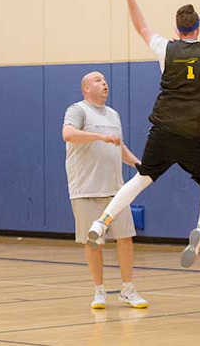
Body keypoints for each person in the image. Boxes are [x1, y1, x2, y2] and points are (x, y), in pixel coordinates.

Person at [87, 0, 200, 266]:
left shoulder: (165, 48)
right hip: (195, 134)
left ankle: (102, 221)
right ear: (198, 26)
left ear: (177, 29)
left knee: (142, 178)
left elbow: (142, 27)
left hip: (163, 129)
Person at [63, 71, 148, 309]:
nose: (104, 83)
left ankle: (128, 289)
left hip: (115, 190)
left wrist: (138, 164)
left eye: (105, 80)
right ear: (86, 89)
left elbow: (118, 146)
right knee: (94, 243)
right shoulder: (77, 110)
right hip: (85, 189)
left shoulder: (113, 115)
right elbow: (68, 134)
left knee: (125, 239)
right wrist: (99, 136)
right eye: (98, 80)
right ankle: (99, 291)